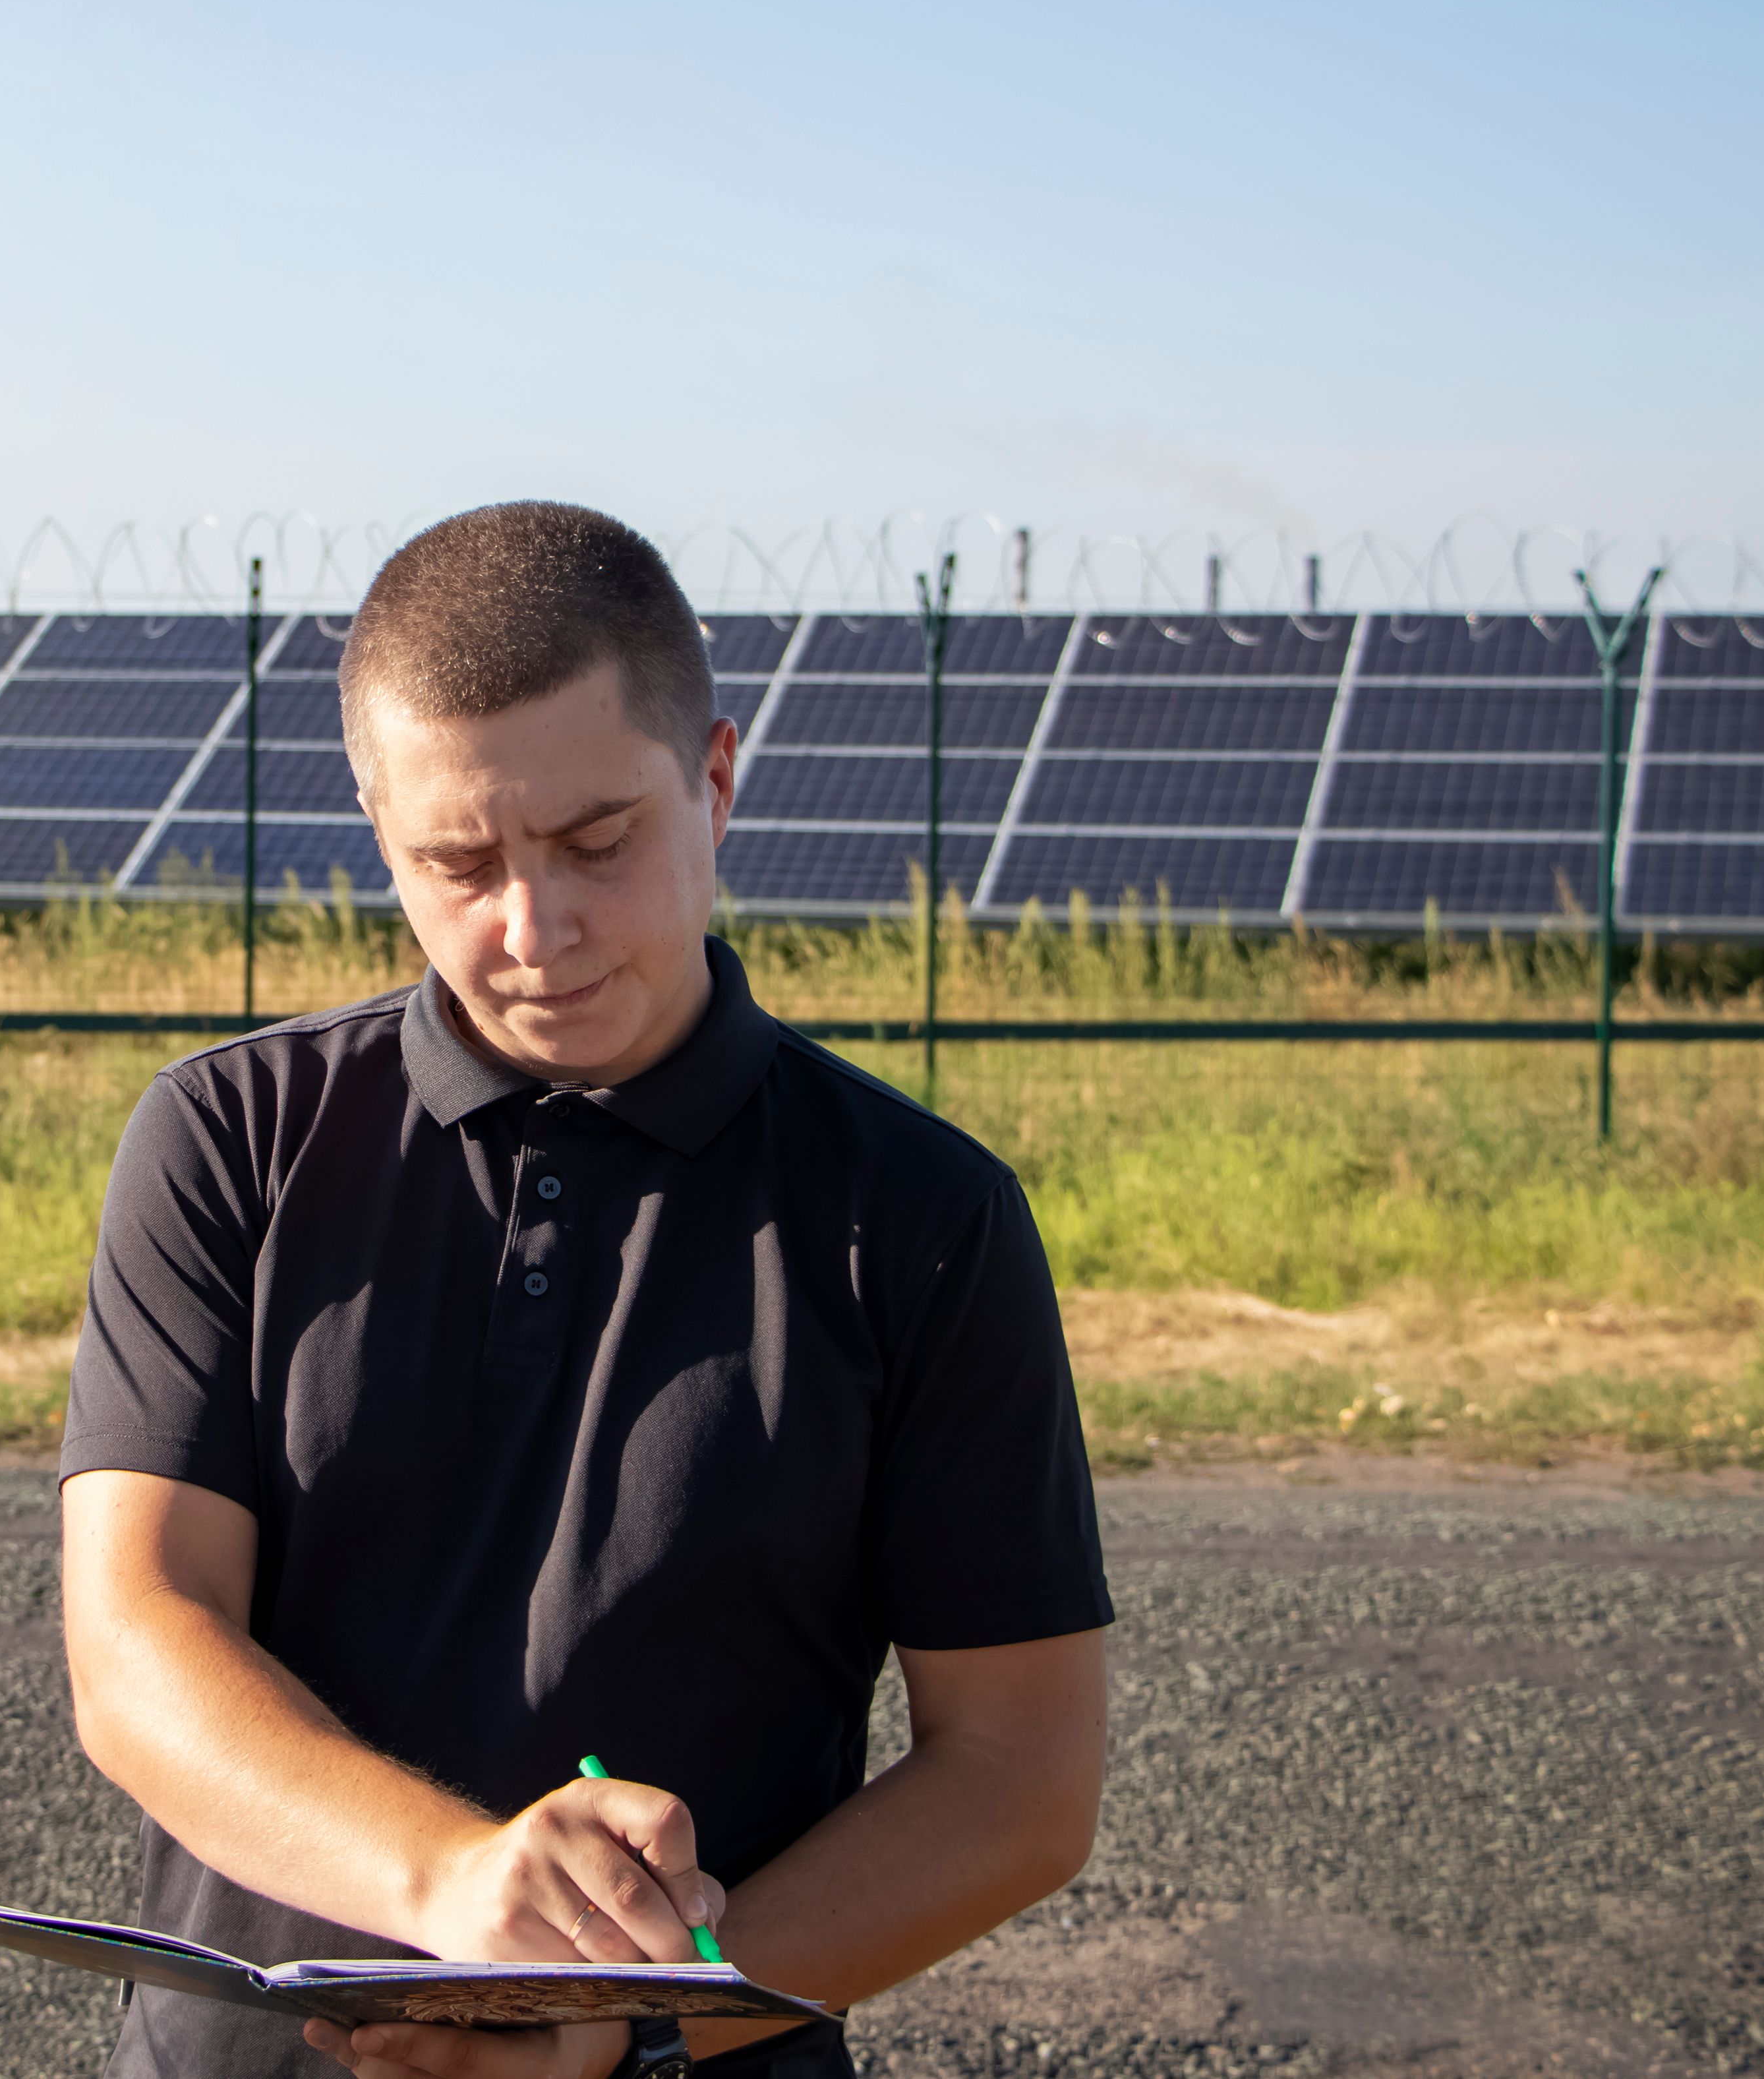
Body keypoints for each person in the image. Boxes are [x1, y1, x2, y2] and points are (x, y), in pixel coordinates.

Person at [59, 502, 1111, 2079]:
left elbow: (1019, 1779)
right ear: (376, 827)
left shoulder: (919, 1217)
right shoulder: (230, 1139)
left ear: (715, 781)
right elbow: (139, 1637)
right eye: (458, 861)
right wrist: (451, 1884)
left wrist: (635, 2024)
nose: (532, 930)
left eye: (597, 840)